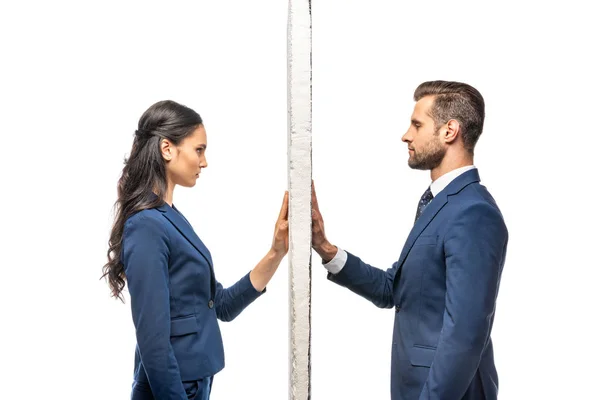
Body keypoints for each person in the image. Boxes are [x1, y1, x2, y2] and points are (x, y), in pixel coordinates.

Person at [311, 81, 508, 400]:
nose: (406, 135)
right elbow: (395, 288)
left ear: (449, 131)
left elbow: (465, 335)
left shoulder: (473, 212)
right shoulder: (439, 203)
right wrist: (325, 247)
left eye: (417, 125)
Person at [102, 100, 289, 400]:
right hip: (172, 389)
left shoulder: (168, 217)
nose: (204, 162)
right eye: (199, 150)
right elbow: (153, 343)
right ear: (167, 149)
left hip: (193, 383)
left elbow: (221, 304)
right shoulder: (147, 226)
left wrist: (276, 252)